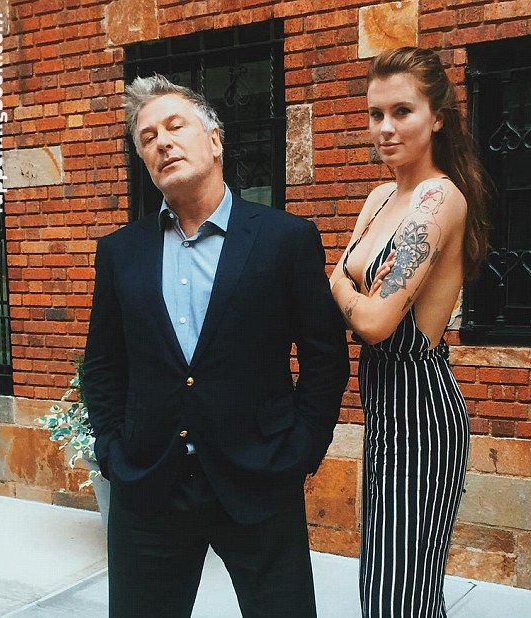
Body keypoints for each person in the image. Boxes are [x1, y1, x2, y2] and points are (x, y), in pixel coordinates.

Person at [82, 74, 349, 618]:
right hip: (149, 487)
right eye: (148, 137)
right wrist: (111, 450)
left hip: (259, 481)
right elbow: (103, 363)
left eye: (174, 126)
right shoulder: (120, 252)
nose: (162, 142)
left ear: (215, 139)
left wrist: (299, 451)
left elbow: (325, 358)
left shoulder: (285, 239)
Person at [329, 47, 489, 617]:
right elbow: (352, 295)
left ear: (437, 117)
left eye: (402, 111)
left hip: (421, 414)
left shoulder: (438, 198)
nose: (385, 128)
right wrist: (354, 294)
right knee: (386, 582)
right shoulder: (380, 198)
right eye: (376, 114)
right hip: (383, 410)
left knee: (401, 595)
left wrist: (343, 288)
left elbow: (373, 322)